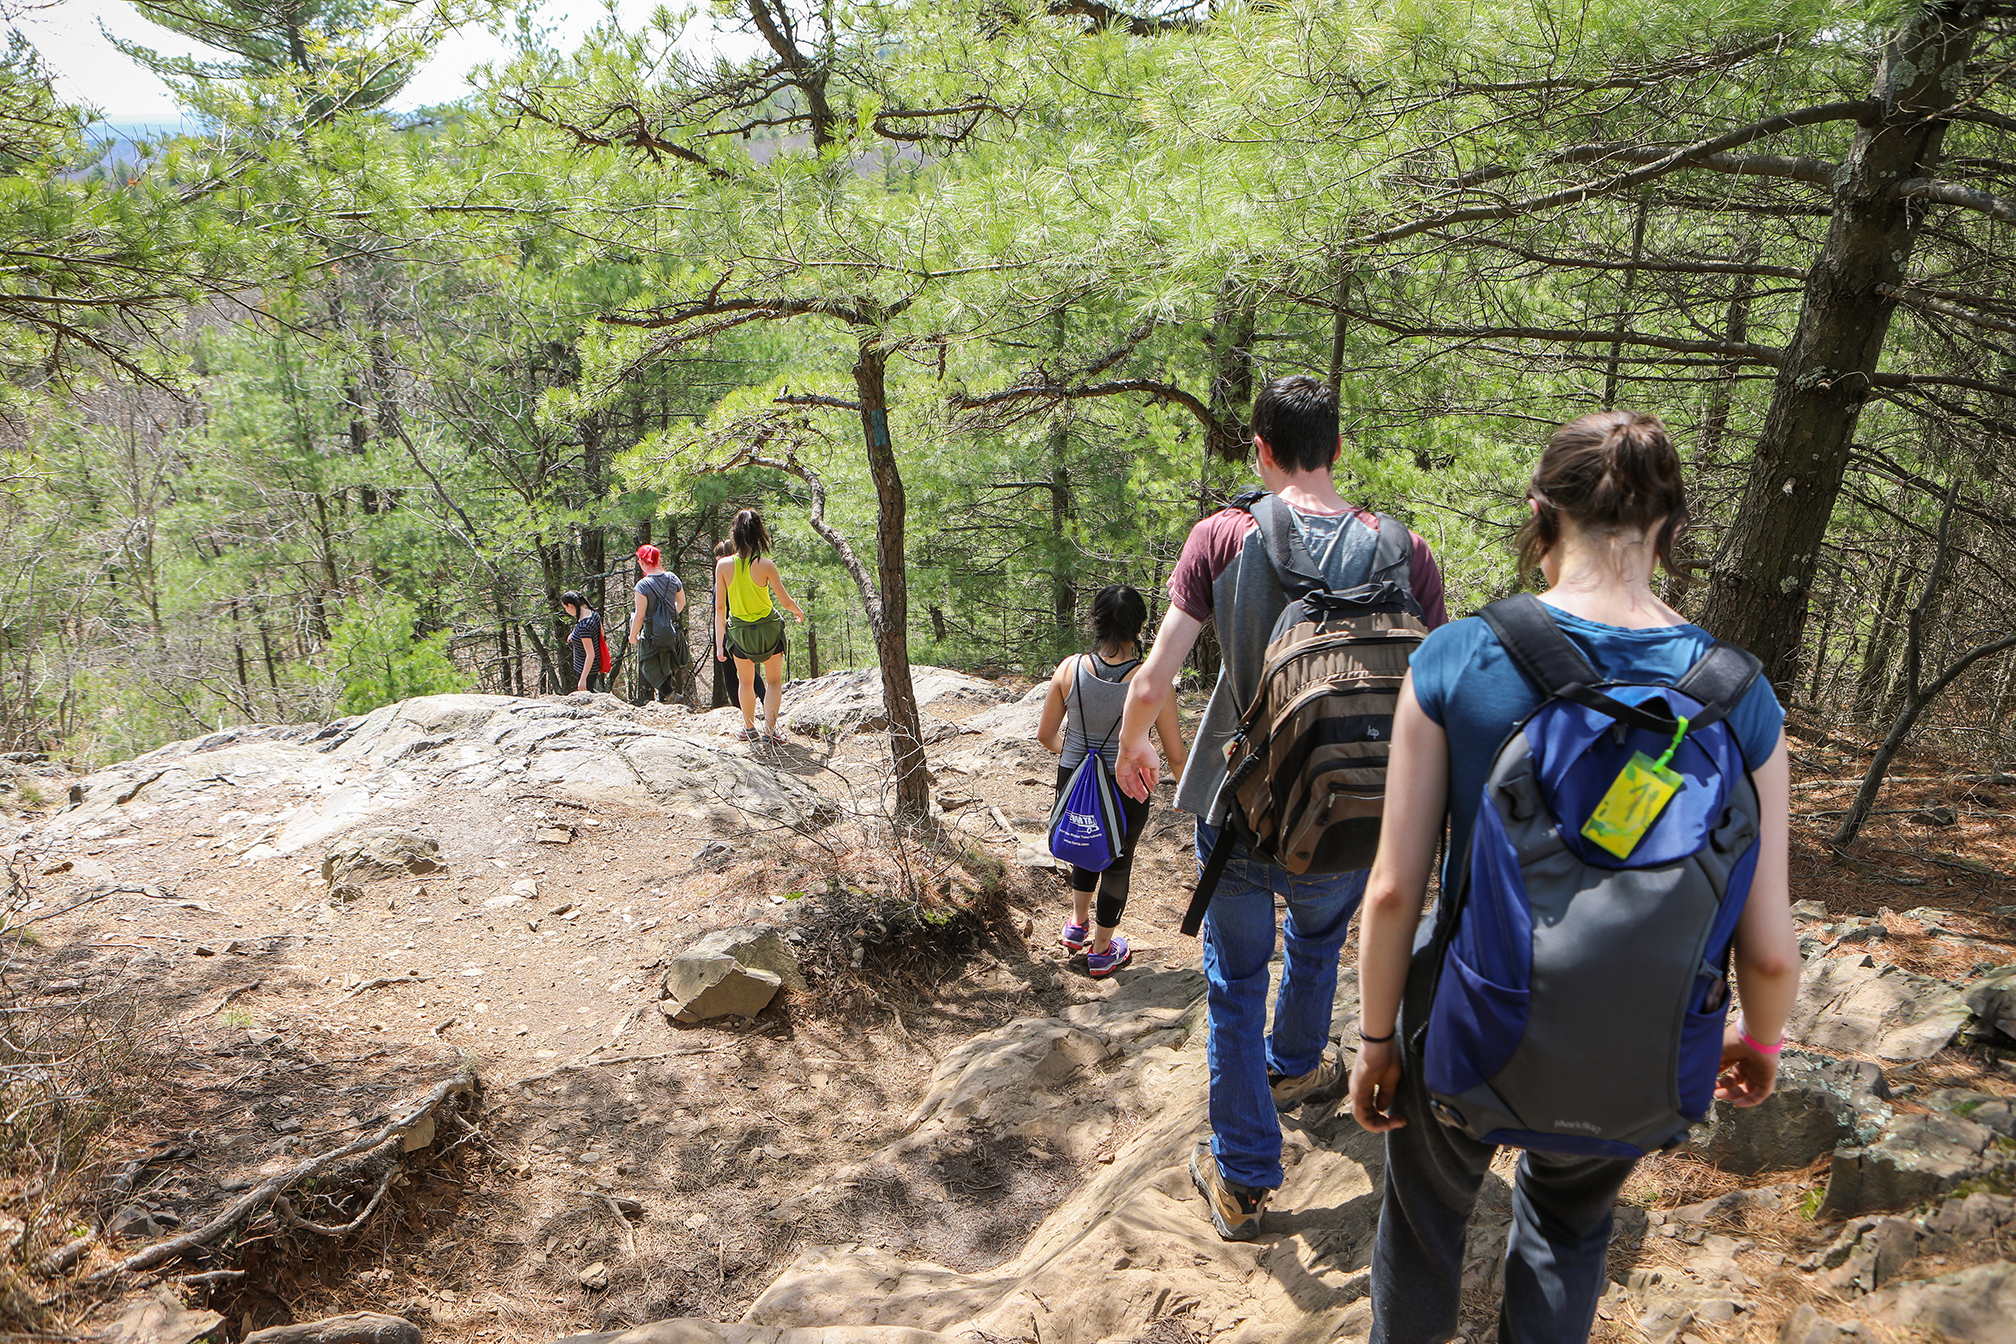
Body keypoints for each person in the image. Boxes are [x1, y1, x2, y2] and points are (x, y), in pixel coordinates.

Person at [1347, 410, 1798, 1344]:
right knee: (1567, 1228)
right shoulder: (1742, 696)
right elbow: (1769, 946)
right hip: (1641, 1045)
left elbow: (1393, 890)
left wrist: (1377, 1040)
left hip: (1468, 1025)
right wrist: (1759, 1045)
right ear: (1669, 531)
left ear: (1540, 513)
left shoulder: (1461, 657)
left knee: (1426, 1223)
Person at [1114, 373, 1448, 1241]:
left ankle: (1244, 1176)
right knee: (1318, 940)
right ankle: (1298, 1066)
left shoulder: (1223, 536)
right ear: (1338, 449)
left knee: (1234, 984)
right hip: (1352, 802)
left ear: (1258, 451)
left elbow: (1153, 678)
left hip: (1238, 801)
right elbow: (1438, 682)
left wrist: (1133, 746)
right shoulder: (1405, 550)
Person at [1036, 585, 1187, 978]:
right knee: (1117, 862)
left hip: (1074, 779)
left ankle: (1077, 924)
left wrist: (1078, 760)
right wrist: (1194, 792)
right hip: (1126, 783)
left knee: (1086, 846)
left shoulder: (1068, 668)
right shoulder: (1151, 682)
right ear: (1141, 625)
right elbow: (1174, 753)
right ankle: (1103, 950)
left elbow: (1046, 735)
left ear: (1095, 621)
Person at [714, 509, 805, 744]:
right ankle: (770, 732)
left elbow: (720, 609)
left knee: (745, 681)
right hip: (768, 630)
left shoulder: (723, 566)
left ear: (734, 534)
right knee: (773, 681)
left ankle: (748, 728)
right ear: (758, 534)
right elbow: (784, 601)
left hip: (740, 632)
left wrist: (720, 645)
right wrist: (797, 611)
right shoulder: (766, 565)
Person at [629, 545, 687, 706]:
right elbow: (681, 602)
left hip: (651, 632)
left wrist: (633, 636)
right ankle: (666, 701)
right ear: (657, 559)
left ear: (642, 561)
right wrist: (668, 617)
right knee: (666, 664)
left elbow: (640, 615)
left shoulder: (642, 585)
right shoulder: (672, 578)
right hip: (671, 629)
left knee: (648, 666)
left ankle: (669, 695)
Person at [712, 539, 766, 710]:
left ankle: (738, 709)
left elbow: (719, 609)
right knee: (748, 669)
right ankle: (765, 700)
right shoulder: (745, 575)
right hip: (745, 627)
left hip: (727, 628)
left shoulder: (721, 578)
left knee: (729, 671)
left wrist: (719, 640)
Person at [560, 591, 604, 694]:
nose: (566, 610)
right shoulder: (592, 614)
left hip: (587, 668)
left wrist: (583, 678)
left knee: (587, 694)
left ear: (570, 606)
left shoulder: (584, 626)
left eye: (565, 607)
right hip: (591, 666)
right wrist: (575, 635)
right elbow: (601, 633)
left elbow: (590, 654)